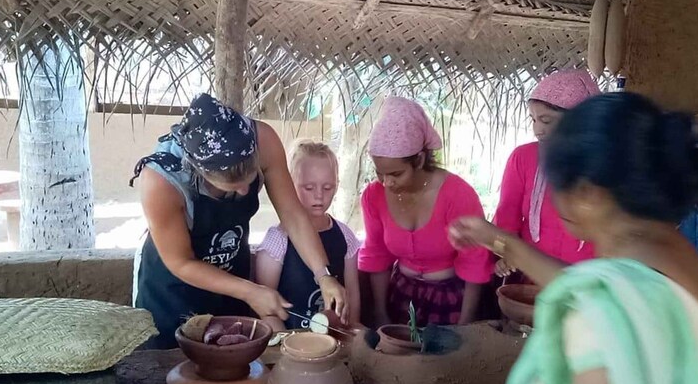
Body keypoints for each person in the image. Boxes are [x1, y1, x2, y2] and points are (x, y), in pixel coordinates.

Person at [419, 93, 698, 384]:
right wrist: (499, 240)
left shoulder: (604, 304)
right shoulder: (679, 266)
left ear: (587, 192)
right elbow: (593, 288)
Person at [130, 93, 347, 349]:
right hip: (173, 286)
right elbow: (181, 262)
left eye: (250, 178)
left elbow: (293, 216)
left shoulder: (263, 140)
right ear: (201, 171)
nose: (246, 191)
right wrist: (250, 291)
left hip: (232, 269)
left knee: (235, 354)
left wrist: (324, 275)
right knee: (170, 368)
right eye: (232, 186)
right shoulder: (161, 182)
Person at [359, 97, 492, 327]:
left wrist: (465, 323)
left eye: (396, 174)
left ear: (419, 159)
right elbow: (376, 254)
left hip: (450, 299)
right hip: (399, 295)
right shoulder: (373, 195)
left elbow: (475, 261)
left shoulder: (457, 195)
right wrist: (380, 312)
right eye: (380, 173)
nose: (386, 182)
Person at [493, 69, 600, 282]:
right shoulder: (523, 158)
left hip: (586, 283)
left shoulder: (604, 164)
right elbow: (507, 217)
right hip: (531, 276)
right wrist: (504, 253)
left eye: (546, 120)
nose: (537, 130)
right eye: (533, 119)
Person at [255, 140, 362, 331]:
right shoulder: (277, 240)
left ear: (337, 185)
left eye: (327, 187)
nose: (319, 196)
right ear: (289, 185)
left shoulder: (346, 237)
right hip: (288, 341)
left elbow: (352, 298)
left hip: (334, 340)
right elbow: (265, 311)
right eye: (309, 188)